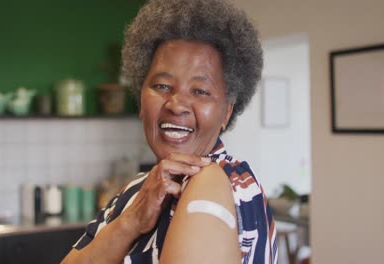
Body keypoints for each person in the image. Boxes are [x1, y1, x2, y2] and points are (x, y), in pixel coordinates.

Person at [62, 0, 277, 263]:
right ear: (140, 100)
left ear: (227, 112)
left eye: (200, 91)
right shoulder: (136, 191)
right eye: (162, 86)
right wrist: (131, 222)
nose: (176, 104)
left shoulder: (215, 182)